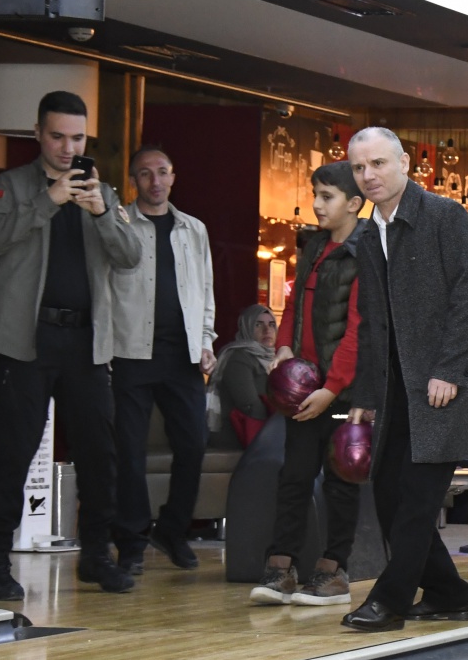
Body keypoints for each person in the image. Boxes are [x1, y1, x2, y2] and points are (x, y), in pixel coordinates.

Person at [0, 90, 141, 599]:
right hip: (22, 342)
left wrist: (100, 212)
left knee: (99, 455)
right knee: (13, 454)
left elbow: (130, 255)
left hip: (86, 343)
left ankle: (95, 557)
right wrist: (49, 200)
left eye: (77, 138)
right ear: (39, 134)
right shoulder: (12, 184)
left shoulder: (102, 191)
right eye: (58, 136)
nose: (68, 149)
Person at [343, 126, 468, 631]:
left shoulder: (444, 216)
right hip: (400, 392)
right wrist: (367, 394)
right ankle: (449, 593)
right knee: (389, 493)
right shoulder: (369, 234)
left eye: (378, 164)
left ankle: (389, 599)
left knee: (416, 498)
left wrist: (448, 371)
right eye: (359, 168)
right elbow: (373, 320)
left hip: (447, 386)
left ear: (404, 164)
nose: (368, 175)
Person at [250, 162, 366, 608]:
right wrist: (283, 350)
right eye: (315, 194)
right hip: (304, 389)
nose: (317, 204)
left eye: (327, 197)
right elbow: (292, 306)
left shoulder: (365, 251)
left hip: (343, 394)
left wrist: (333, 390)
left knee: (341, 480)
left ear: (354, 204)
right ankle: (280, 568)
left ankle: (334, 572)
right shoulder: (313, 246)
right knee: (294, 477)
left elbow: (358, 329)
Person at [109, 146, 216, 574]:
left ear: (173, 176)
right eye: (146, 174)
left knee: (193, 444)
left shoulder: (194, 230)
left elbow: (205, 290)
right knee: (129, 452)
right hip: (129, 352)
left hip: (183, 354)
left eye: (163, 173)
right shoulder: (118, 225)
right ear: (134, 180)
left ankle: (172, 529)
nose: (156, 182)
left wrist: (207, 339)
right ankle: (131, 540)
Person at [209, 305, 276, 449]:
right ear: (246, 327)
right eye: (258, 325)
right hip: (238, 431)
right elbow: (249, 405)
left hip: (266, 428)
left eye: (271, 325)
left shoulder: (277, 357)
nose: (267, 330)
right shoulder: (238, 356)